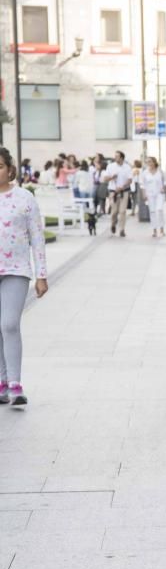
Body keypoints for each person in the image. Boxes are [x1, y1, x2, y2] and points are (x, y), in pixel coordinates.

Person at [0, 147, 49, 409]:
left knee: (8, 324)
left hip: (16, 270)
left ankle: (15, 385)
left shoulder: (24, 198)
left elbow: (37, 238)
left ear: (10, 169)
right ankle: (2, 382)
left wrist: (41, 275)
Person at [103, 151, 132, 237]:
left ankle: (122, 229)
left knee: (122, 211)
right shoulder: (110, 166)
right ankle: (113, 224)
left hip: (124, 191)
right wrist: (112, 177)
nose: (115, 158)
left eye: (117, 156)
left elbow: (130, 180)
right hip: (113, 191)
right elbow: (105, 179)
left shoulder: (127, 167)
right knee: (114, 211)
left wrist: (122, 187)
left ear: (122, 158)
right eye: (115, 156)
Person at [140, 157, 166, 238]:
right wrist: (144, 194)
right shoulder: (145, 173)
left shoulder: (160, 172)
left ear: (154, 162)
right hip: (150, 194)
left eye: (150, 161)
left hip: (160, 194)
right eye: (147, 162)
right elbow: (142, 184)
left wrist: (164, 187)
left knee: (159, 210)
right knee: (152, 211)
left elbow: (165, 181)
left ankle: (162, 229)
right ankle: (154, 230)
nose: (148, 163)